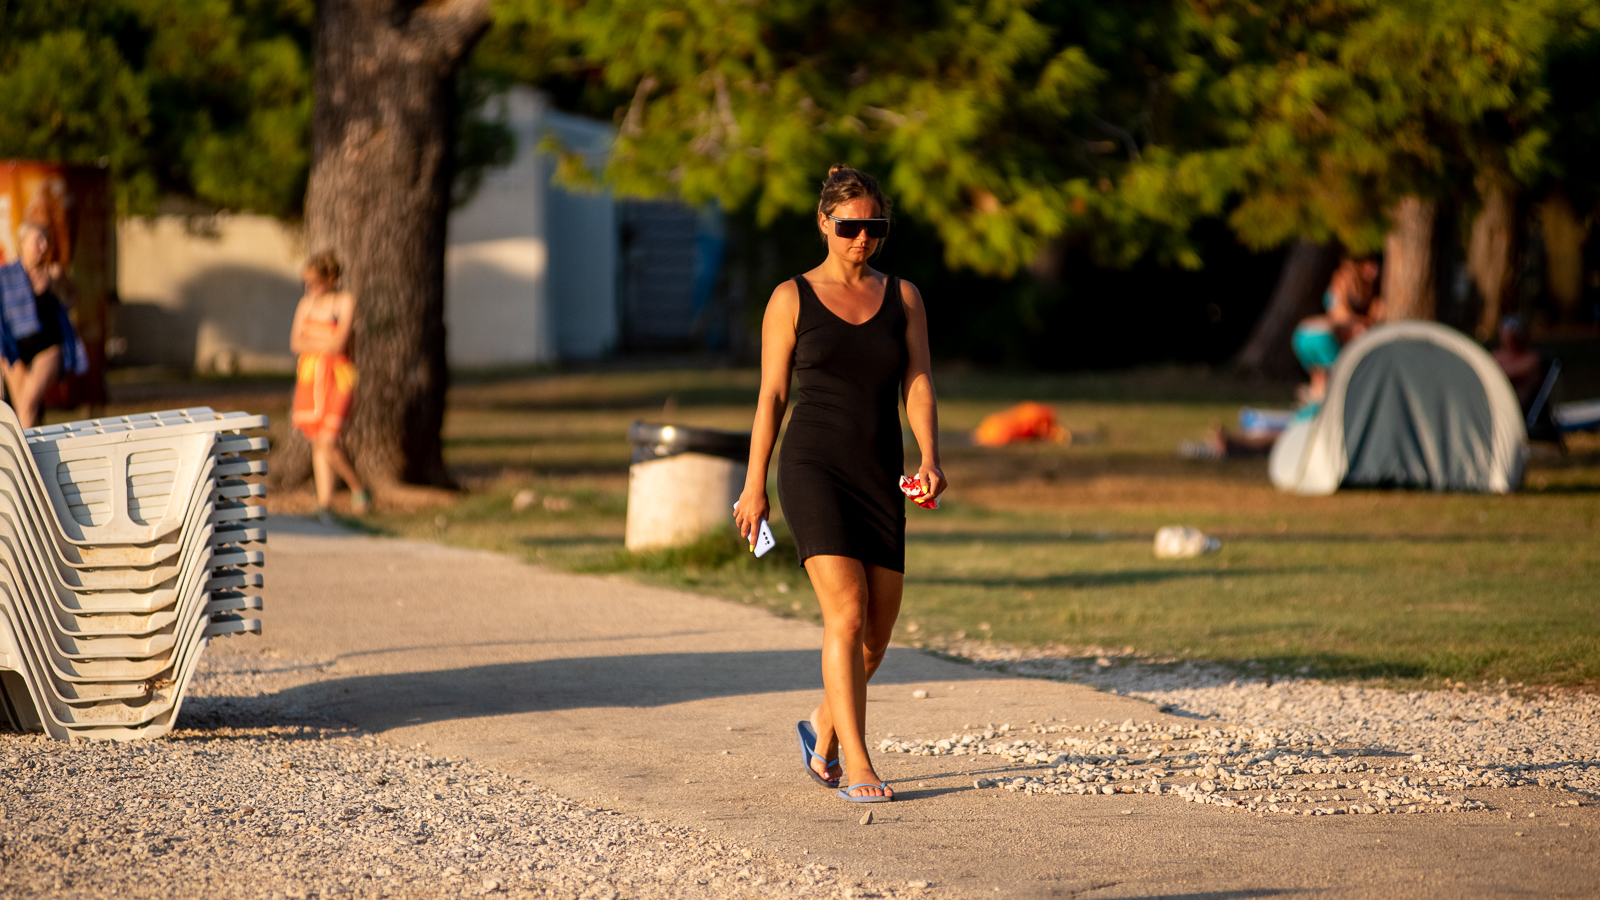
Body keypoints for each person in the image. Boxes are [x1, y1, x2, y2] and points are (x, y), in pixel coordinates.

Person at [735, 165, 945, 803]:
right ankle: (858, 765)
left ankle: (821, 727)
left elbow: (917, 383)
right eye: (849, 226)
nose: (862, 238)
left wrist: (930, 457)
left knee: (876, 638)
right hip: (812, 468)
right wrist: (753, 484)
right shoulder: (790, 298)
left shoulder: (903, 296)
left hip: (879, 470)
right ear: (824, 223)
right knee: (847, 614)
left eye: (874, 227)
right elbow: (772, 396)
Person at [290, 251, 369, 521]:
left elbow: (339, 344)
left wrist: (312, 341)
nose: (309, 286)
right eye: (307, 281)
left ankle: (358, 488)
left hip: (338, 378)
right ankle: (325, 504)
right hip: (311, 378)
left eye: (314, 281)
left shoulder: (344, 302)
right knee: (317, 442)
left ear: (331, 279)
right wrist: (325, 341)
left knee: (328, 440)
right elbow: (295, 343)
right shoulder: (305, 304)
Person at [0, 222, 87, 428]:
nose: (44, 245)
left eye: (46, 240)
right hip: (15, 349)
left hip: (48, 345)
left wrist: (62, 309)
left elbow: (74, 295)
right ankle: (35, 447)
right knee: (22, 411)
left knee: (26, 405)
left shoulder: (53, 273)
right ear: (22, 244)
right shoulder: (5, 276)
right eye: (38, 240)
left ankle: (23, 450)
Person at [1290, 256, 1381, 405]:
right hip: (1322, 335)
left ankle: (1315, 404)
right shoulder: (1343, 279)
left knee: (1319, 379)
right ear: (1359, 264)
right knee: (1334, 377)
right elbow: (1339, 312)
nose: (1374, 269)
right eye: (1368, 264)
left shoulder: (1362, 286)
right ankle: (1322, 404)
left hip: (1303, 334)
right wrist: (1360, 322)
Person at [1491, 315, 1544, 410]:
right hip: (1495, 405)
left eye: (1514, 337)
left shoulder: (1530, 359)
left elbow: (1505, 374)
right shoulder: (1496, 355)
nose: (1512, 342)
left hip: (1516, 409)